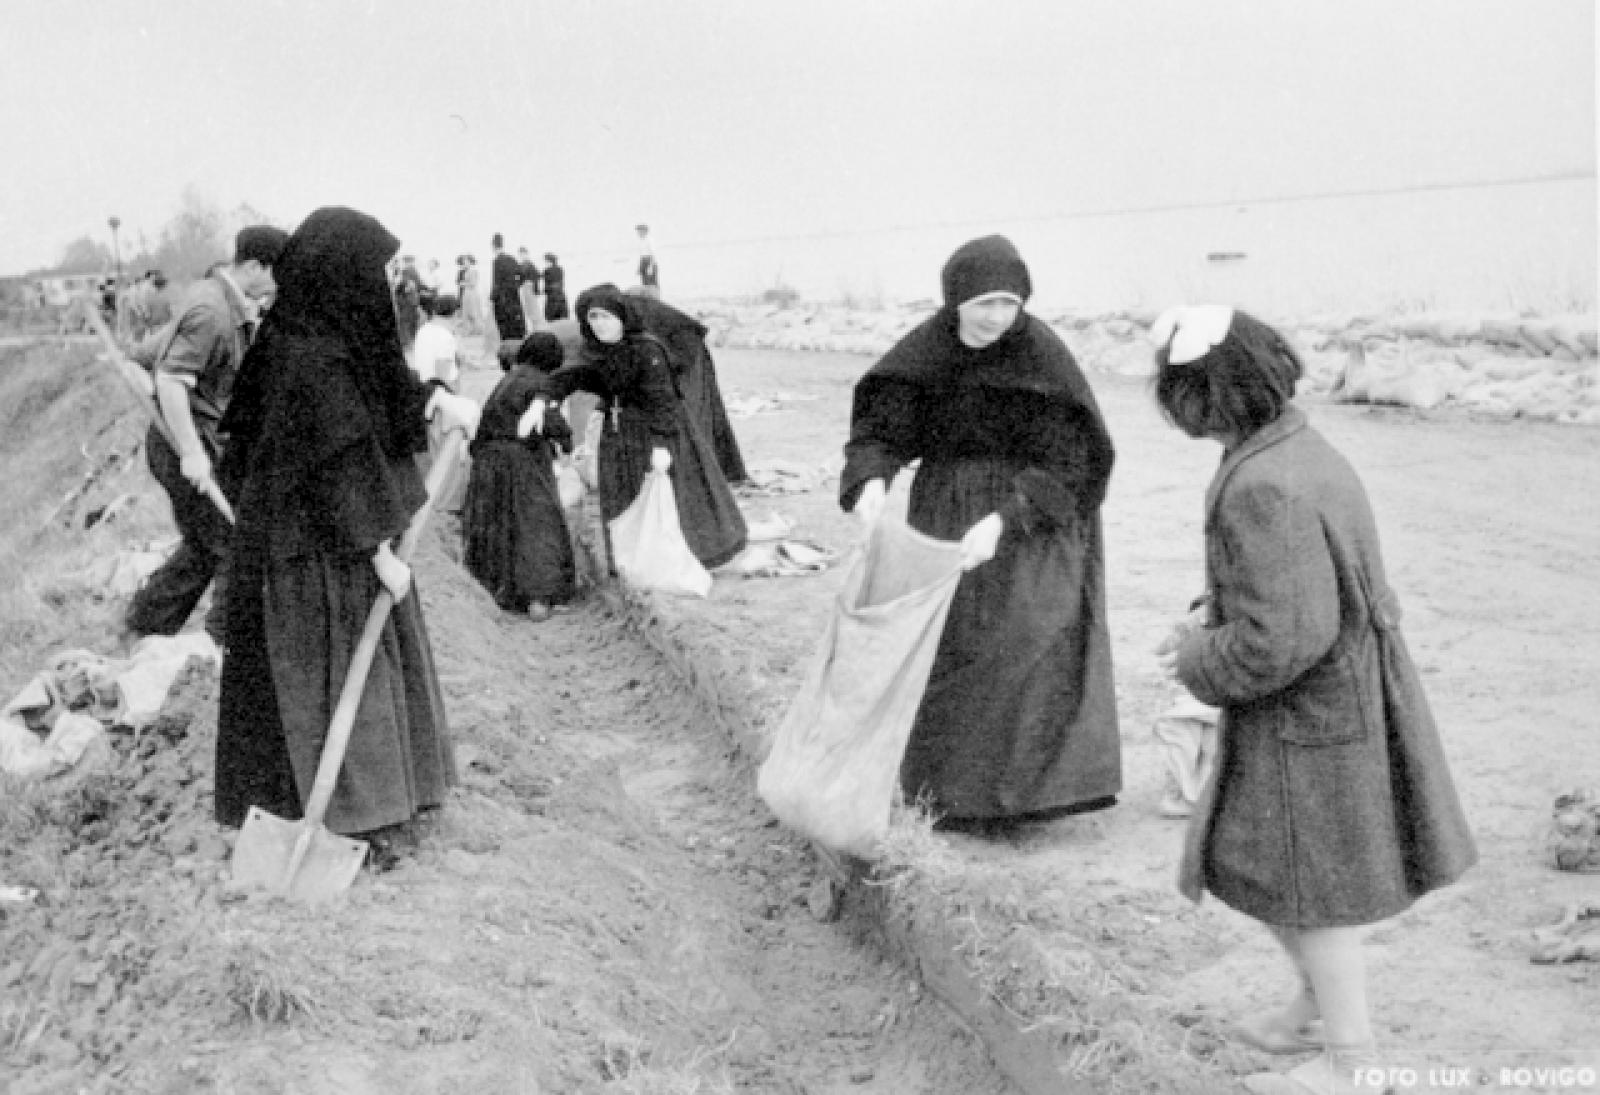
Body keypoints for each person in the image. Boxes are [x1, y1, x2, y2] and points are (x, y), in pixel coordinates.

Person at [1150, 305, 1477, 1094]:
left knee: (1310, 889)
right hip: (1330, 701)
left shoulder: (1261, 483)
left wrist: (1198, 656)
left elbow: (1282, 638)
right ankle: (1309, 1008)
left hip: (1309, 719)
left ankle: (1353, 1061)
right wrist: (1213, 614)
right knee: (1266, 867)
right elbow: (1294, 585)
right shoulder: (1296, 445)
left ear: (1205, 396)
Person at [213, 206, 477, 862]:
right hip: (315, 552)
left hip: (317, 537)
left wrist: (435, 398)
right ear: (342, 275)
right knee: (330, 678)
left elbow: (379, 387)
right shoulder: (312, 360)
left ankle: (352, 805)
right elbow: (339, 462)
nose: (383, 284)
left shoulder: (309, 334)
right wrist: (378, 551)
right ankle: (354, 818)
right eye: (375, 271)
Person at [840, 235, 1121, 832]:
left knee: (1026, 635)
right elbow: (882, 431)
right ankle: (951, 794)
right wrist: (871, 480)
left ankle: (1021, 796)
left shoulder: (1042, 357)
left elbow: (1074, 459)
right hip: (946, 507)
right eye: (984, 303)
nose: (997, 317)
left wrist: (1005, 519)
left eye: (1009, 304)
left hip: (1033, 512)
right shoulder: (926, 352)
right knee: (953, 639)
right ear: (956, 301)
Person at [124, 224, 289, 647]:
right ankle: (221, 645)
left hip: (206, 445)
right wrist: (192, 453)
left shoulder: (225, 303)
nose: (280, 283)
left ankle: (146, 622)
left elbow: (147, 355)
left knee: (205, 543)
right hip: (184, 447)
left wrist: (141, 368)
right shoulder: (211, 312)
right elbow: (172, 381)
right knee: (232, 541)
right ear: (255, 267)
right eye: (277, 272)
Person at [534, 284, 747, 569]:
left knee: (667, 498)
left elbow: (663, 402)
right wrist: (543, 399)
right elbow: (571, 377)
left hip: (655, 433)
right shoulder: (597, 351)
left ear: (622, 318)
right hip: (619, 436)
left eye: (606, 317)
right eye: (593, 317)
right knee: (624, 500)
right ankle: (630, 564)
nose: (599, 324)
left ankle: (676, 563)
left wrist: (661, 446)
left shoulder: (647, 350)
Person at [463, 332, 576, 620]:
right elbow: (550, 423)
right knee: (536, 523)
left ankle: (500, 592)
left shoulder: (507, 380)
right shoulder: (542, 383)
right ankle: (539, 596)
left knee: (499, 523)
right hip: (522, 460)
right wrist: (566, 442)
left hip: (489, 461)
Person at [626, 292, 747, 483]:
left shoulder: (631, 311)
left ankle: (698, 471)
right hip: (688, 355)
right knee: (700, 415)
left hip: (688, 360)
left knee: (692, 415)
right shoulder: (640, 310)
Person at [489, 233, 526, 341]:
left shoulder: (497, 261)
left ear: (493, 246)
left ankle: (507, 342)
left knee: (504, 324)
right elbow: (522, 275)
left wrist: (491, 298)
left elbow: (496, 282)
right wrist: (516, 285)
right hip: (513, 295)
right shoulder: (511, 259)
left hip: (502, 297)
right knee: (515, 320)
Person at [459, 255, 486, 336]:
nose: (464, 263)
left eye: (466, 262)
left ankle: (477, 329)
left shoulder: (473, 271)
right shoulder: (466, 271)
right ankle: (470, 330)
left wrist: (463, 284)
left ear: (470, 262)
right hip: (467, 292)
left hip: (471, 293)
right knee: (467, 312)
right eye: (464, 262)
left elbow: (473, 283)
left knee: (473, 311)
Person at [516, 246, 542, 327]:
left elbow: (538, 275)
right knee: (528, 309)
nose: (521, 256)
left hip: (529, 289)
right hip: (524, 289)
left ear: (526, 254)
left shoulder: (529, 264)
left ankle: (536, 326)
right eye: (520, 254)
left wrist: (531, 283)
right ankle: (534, 326)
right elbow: (518, 278)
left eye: (523, 254)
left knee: (532, 309)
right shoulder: (522, 265)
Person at [635, 223, 660, 299]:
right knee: (644, 283)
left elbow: (653, 253)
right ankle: (648, 298)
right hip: (643, 261)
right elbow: (641, 254)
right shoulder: (641, 241)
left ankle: (656, 298)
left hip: (650, 261)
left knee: (652, 283)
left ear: (645, 231)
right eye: (638, 231)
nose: (638, 233)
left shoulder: (649, 240)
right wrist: (639, 267)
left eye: (640, 231)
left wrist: (651, 266)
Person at [542, 253, 568, 321]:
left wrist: (544, 290)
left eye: (545, 261)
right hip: (561, 296)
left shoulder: (547, 271)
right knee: (563, 319)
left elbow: (546, 286)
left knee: (552, 319)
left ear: (549, 261)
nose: (545, 263)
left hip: (552, 298)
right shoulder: (560, 269)